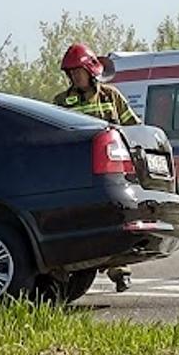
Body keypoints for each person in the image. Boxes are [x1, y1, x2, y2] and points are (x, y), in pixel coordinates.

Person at [51, 42, 139, 292]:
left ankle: (120, 271)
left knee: (113, 220)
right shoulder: (61, 101)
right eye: (69, 73)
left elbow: (133, 128)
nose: (73, 77)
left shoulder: (111, 97)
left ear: (90, 70)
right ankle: (65, 274)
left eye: (76, 71)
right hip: (77, 174)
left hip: (110, 172)